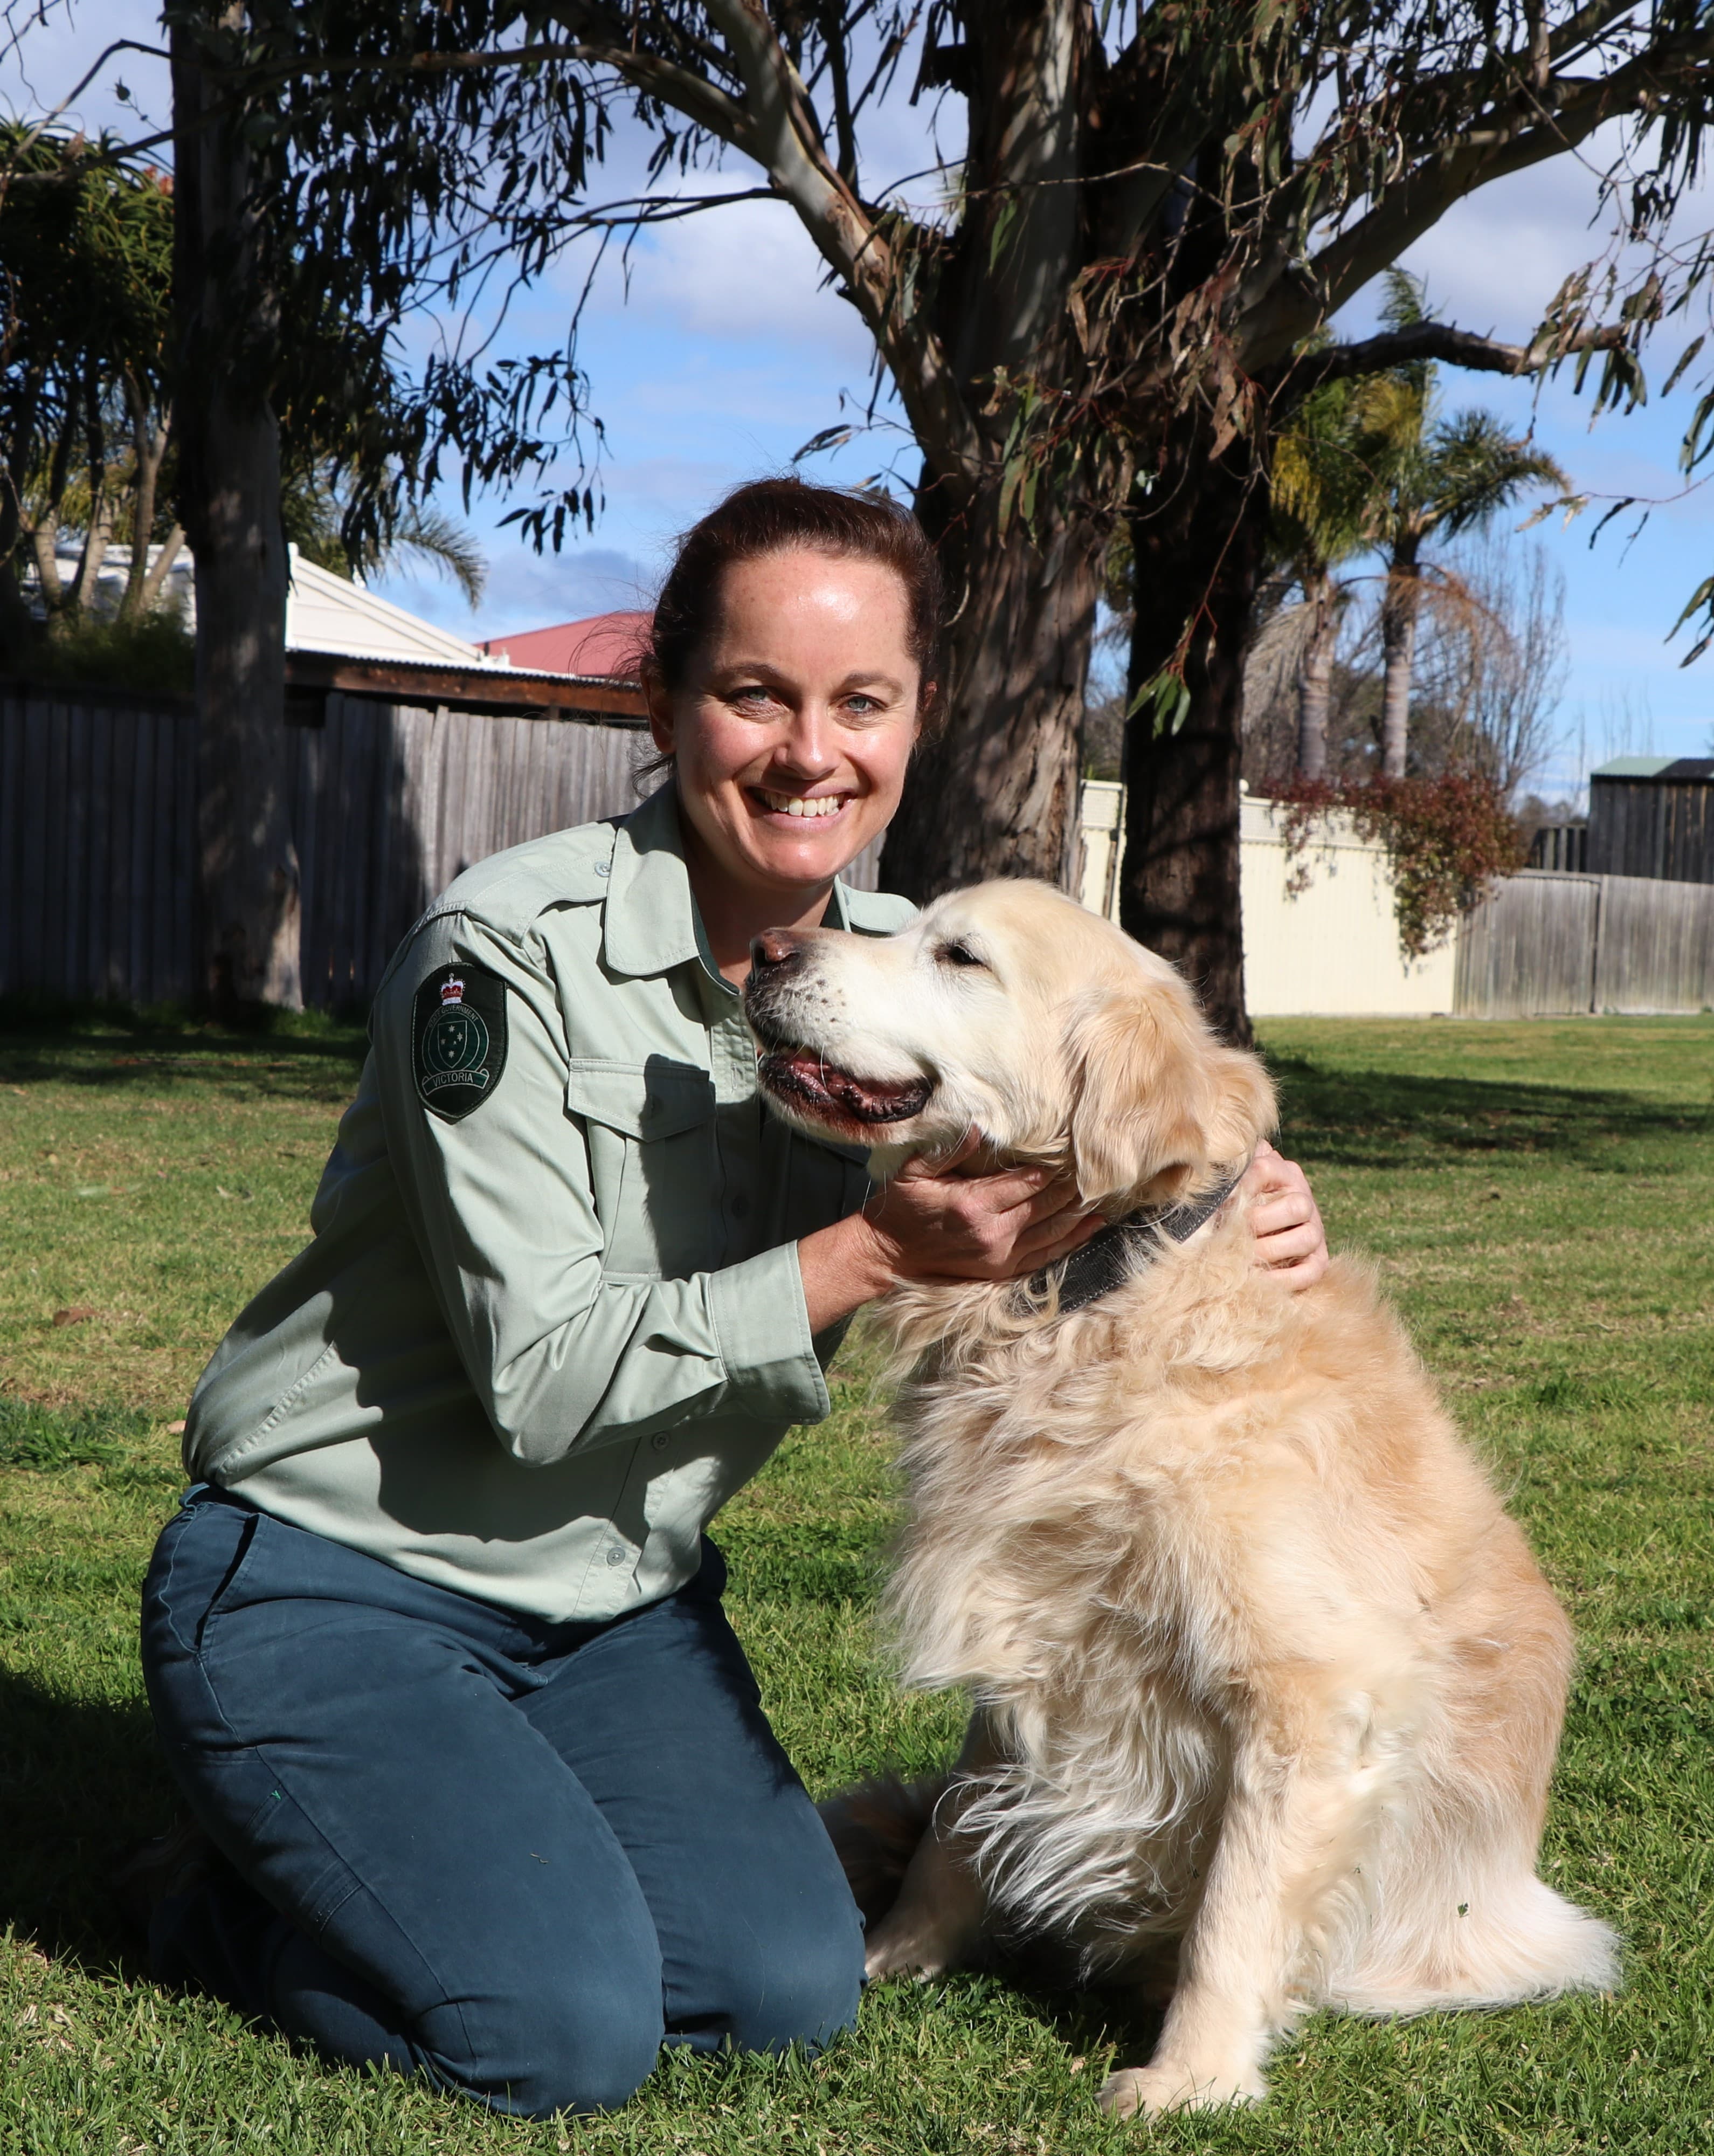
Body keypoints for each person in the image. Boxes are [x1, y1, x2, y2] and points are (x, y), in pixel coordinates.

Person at [122, 478, 1328, 2119]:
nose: (807, 751)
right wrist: (872, 1256)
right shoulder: (509, 957)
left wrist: (1245, 1195)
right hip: (344, 1574)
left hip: (612, 1602)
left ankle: (467, 1831)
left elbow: (1133, 1078)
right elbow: (539, 1383)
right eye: (755, 692)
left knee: (783, 1985)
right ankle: (223, 1892)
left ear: (914, 722)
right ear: (669, 702)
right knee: (559, 2032)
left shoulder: (922, 967)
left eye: (862, 703)